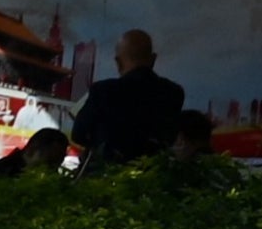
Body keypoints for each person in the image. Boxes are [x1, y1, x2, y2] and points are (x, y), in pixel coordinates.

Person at [69, 28, 189, 169]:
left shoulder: (103, 90)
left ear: (118, 62)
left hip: (107, 178)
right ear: (153, 59)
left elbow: (78, 135)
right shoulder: (174, 93)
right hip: (153, 178)